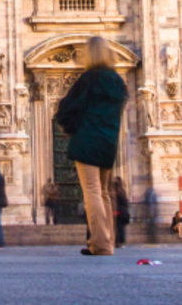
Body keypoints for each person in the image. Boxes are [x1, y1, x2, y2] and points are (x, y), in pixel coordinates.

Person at [54, 36, 128, 258]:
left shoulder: (89, 79)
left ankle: (100, 245)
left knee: (92, 192)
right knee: (104, 192)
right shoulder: (118, 82)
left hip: (87, 141)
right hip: (108, 143)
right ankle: (108, 242)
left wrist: (68, 125)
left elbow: (67, 106)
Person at [111, 175, 130, 248]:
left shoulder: (112, 192)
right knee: (121, 228)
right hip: (120, 212)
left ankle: (116, 242)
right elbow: (125, 203)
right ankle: (121, 242)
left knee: (114, 228)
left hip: (113, 212)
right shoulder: (122, 192)